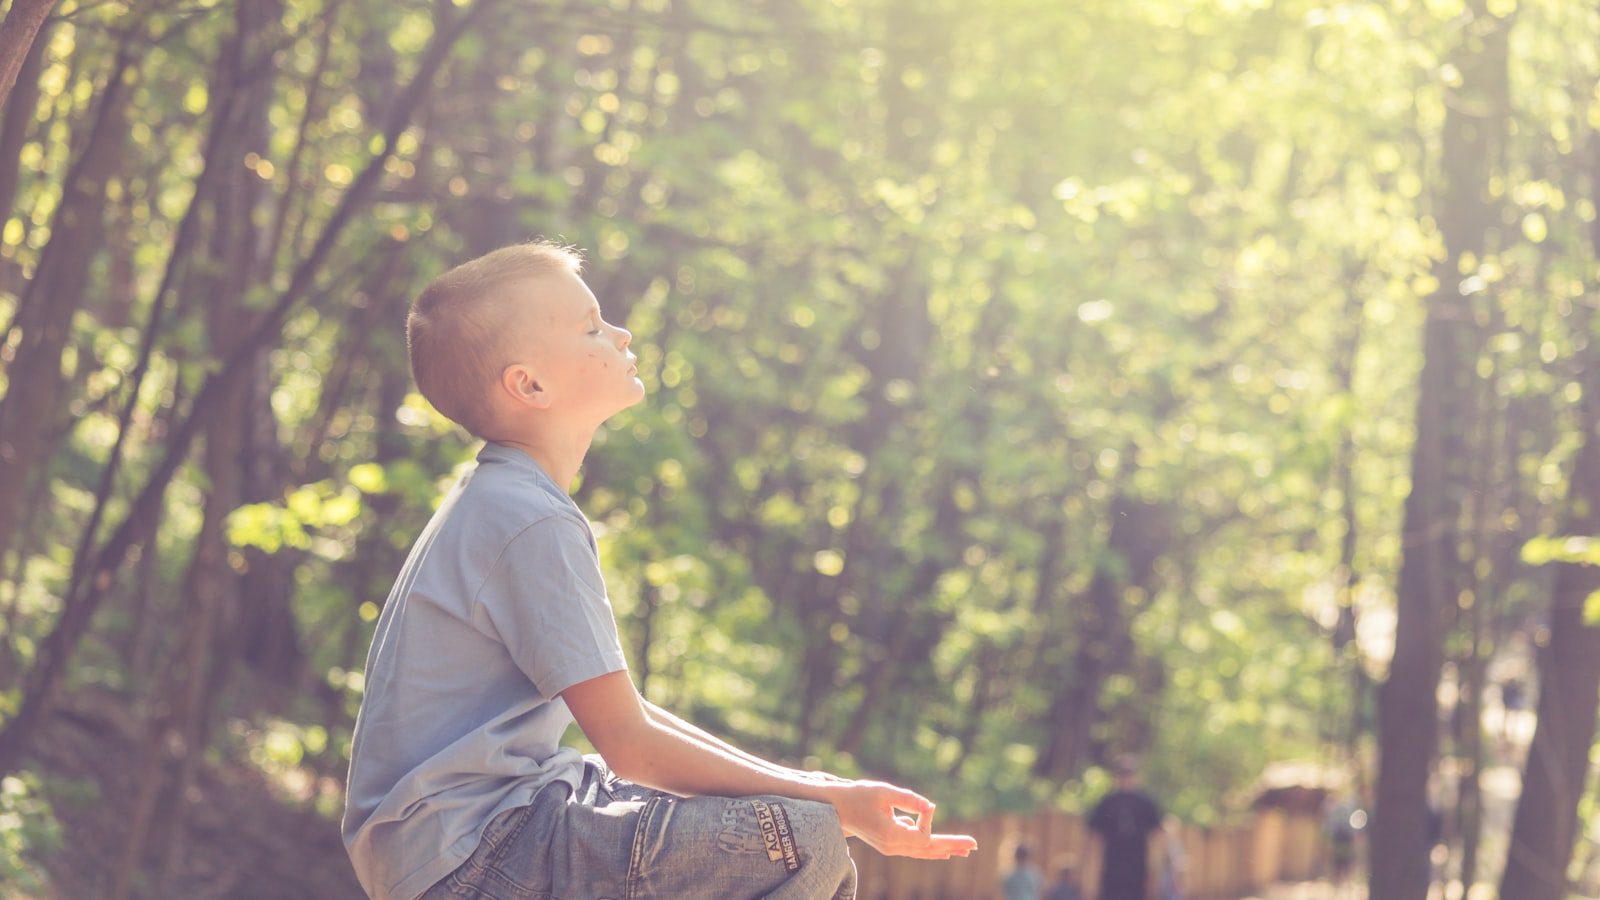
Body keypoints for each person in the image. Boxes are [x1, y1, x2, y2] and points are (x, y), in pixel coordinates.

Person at [341, 241, 977, 900]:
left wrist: (833, 793)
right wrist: (835, 803)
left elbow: (629, 719)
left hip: (483, 834)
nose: (621, 333)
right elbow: (633, 747)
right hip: (476, 854)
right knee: (802, 841)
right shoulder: (528, 520)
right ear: (529, 384)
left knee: (806, 825)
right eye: (591, 328)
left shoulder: (507, 500)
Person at [1086, 755, 1165, 900]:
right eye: (1123, 773)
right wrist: (1090, 879)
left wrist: (1154, 874)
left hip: (1138, 872)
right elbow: (1094, 840)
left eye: (1130, 773)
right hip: (1111, 871)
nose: (1127, 778)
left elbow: (1156, 839)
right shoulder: (1107, 802)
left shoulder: (1146, 803)